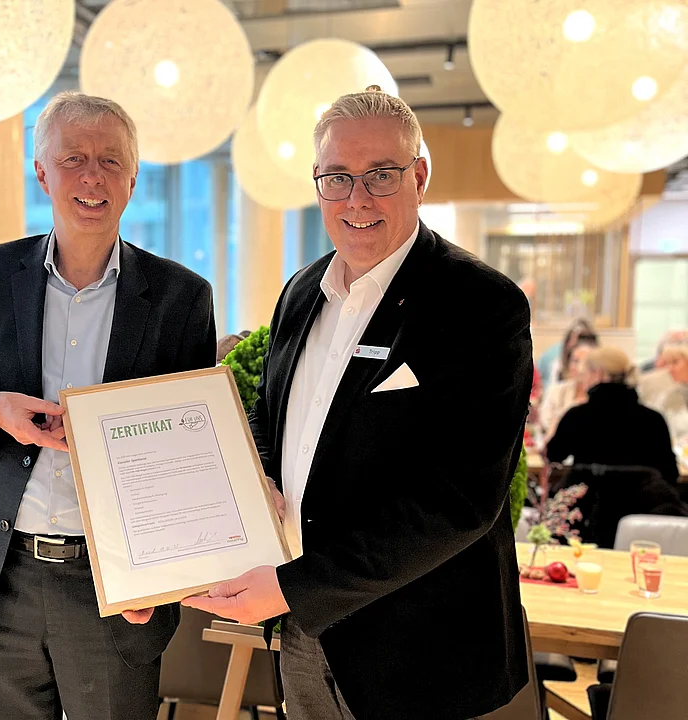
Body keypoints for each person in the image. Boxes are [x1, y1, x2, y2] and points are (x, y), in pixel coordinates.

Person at [184, 86, 532, 720]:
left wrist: (295, 589)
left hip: (421, 653)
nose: (357, 198)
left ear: (418, 177)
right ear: (318, 183)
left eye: (381, 175)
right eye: (338, 177)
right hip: (304, 631)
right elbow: (269, 416)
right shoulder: (301, 293)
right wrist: (258, 478)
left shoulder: (480, 304)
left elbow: (460, 502)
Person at [0, 92, 216, 720]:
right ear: (42, 173)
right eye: (73, 159)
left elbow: (190, 456)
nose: (92, 177)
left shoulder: (182, 297)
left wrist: (164, 573)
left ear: (133, 178)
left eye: (111, 161)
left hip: (115, 590)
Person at [547, 347, 679, 485]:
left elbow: (553, 455)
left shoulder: (576, 417)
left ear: (598, 374)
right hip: (639, 497)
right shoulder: (653, 420)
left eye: (584, 374)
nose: (583, 380)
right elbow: (670, 473)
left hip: (588, 496)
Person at [539, 337, 597, 436]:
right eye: (575, 361)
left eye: (584, 362)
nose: (579, 367)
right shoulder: (556, 390)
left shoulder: (601, 394)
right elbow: (545, 420)